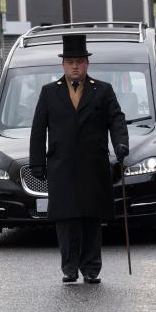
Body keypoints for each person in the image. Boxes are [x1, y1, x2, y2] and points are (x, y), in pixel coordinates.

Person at [29, 34, 129, 285]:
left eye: (80, 61)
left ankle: (92, 268)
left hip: (92, 167)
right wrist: (37, 163)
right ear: (63, 65)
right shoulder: (49, 92)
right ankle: (70, 267)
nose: (75, 66)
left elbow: (116, 119)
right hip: (61, 167)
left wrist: (121, 143)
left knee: (91, 219)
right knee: (66, 219)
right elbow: (38, 129)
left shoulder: (103, 90)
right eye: (70, 61)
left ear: (87, 64)